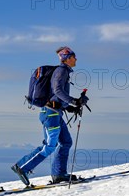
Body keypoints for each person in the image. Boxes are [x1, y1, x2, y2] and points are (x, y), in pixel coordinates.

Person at [11, 47, 89, 185]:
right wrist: (74, 101)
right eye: (74, 57)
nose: (76, 59)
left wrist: (70, 107)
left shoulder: (63, 71)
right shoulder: (61, 71)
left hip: (55, 113)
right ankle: (21, 167)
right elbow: (57, 90)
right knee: (49, 146)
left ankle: (59, 174)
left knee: (66, 142)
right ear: (68, 58)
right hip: (50, 114)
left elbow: (56, 95)